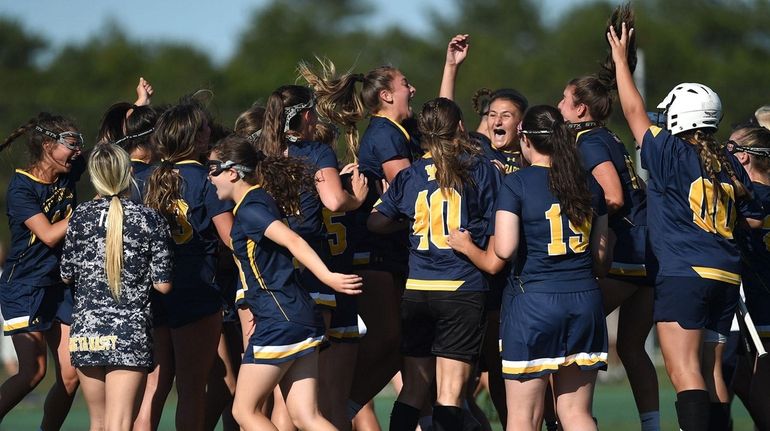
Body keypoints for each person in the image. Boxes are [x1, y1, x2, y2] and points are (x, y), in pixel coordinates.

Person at [607, 21, 763, 430]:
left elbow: (633, 111)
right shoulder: (728, 160)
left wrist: (621, 61)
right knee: (712, 373)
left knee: (684, 373)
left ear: (680, 116)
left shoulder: (671, 151)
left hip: (684, 273)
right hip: (726, 274)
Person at [207, 135, 362, 431]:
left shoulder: (251, 208)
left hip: (279, 318)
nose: (209, 176)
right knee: (306, 416)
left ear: (233, 172)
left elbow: (293, 239)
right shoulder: (260, 199)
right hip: (298, 314)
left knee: (244, 411)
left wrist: (328, 277)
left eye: (214, 168)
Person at [368, 97, 503, 431]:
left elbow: (375, 222)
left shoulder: (410, 174)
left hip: (418, 291)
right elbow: (501, 222)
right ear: (460, 127)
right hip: (460, 290)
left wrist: (411, 222)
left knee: (413, 390)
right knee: (450, 397)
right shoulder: (479, 167)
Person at [557, 6, 659, 430]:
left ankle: (571, 418)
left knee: (568, 336)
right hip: (646, 256)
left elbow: (612, 196)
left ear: (581, 110)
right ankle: (651, 424)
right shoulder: (607, 136)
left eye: (565, 98)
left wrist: (583, 213)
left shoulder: (589, 139)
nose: (560, 103)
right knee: (633, 348)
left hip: (623, 257)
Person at [300, 60, 420, 420]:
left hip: (386, 252)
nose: (411, 89)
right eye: (405, 84)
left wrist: (450, 67)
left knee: (396, 346)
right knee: (386, 341)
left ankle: (338, 411)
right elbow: (413, 194)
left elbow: (444, 119)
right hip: (372, 253)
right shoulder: (384, 133)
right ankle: (337, 414)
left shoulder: (399, 129)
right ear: (385, 95)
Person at [494, 105, 609, 431]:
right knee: (576, 414)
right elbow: (600, 260)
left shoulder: (516, 183)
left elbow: (504, 249)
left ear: (524, 137)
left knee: (523, 418)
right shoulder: (588, 184)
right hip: (584, 301)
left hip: (534, 304)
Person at [60, 143, 172, 431]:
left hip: (87, 332)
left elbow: (66, 273)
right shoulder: (149, 219)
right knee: (120, 424)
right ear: (129, 174)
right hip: (129, 333)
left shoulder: (79, 218)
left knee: (98, 423)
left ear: (95, 177)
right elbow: (163, 285)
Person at [139, 98, 235, 431]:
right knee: (192, 390)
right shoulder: (206, 181)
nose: (211, 131)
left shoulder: (145, 179)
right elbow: (231, 238)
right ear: (196, 138)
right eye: (206, 127)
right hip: (195, 291)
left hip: (153, 290)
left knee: (154, 387)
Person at [0, 113, 85, 429]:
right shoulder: (21, 188)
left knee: (70, 374)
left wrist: (137, 106)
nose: (78, 153)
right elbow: (49, 234)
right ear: (48, 145)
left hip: (58, 286)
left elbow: (109, 147)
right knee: (32, 372)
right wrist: (87, 212)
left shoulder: (68, 171)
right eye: (71, 144)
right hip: (24, 287)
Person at [727, 126, 770, 430]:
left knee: (754, 384)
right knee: (740, 377)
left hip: (761, 301)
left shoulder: (753, 200)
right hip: (756, 302)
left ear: (743, 157)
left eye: (730, 148)